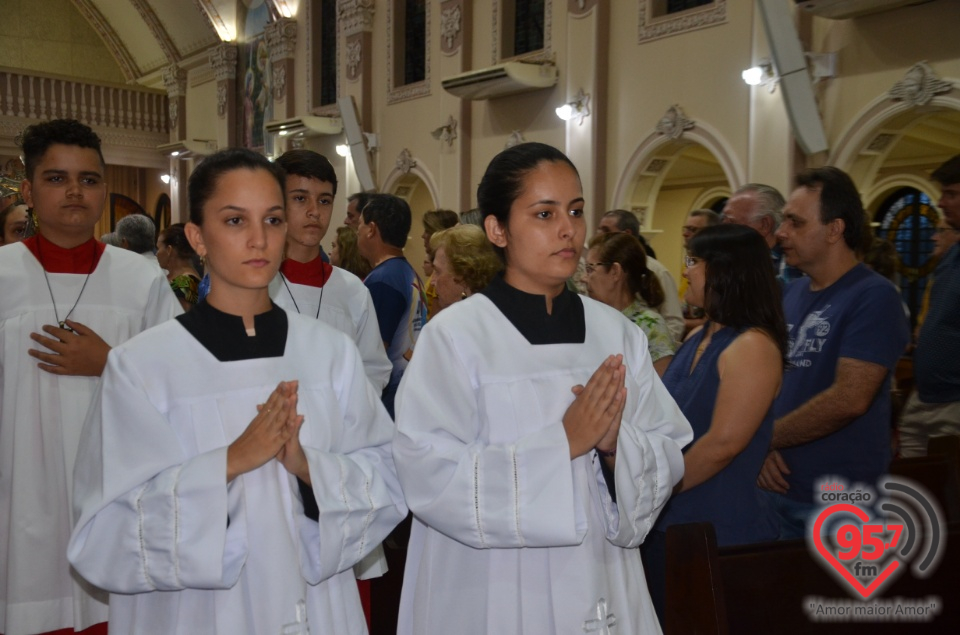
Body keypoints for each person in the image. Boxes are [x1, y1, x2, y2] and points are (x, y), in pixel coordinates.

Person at [68, 147, 408, 635]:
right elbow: (102, 535)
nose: (258, 239)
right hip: (195, 614)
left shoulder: (328, 354)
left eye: (272, 220)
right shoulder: (143, 365)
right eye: (234, 221)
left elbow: (389, 478)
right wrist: (228, 462)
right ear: (197, 237)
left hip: (314, 606)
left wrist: (308, 468)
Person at [392, 142, 691, 634]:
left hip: (600, 576)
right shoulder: (456, 336)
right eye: (544, 213)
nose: (568, 228)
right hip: (493, 587)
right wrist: (565, 444)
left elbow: (667, 452)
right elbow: (427, 473)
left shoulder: (615, 334)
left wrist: (619, 445)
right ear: (498, 229)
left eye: (575, 211)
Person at [0, 118, 180, 635]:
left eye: (89, 179)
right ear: (29, 191)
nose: (75, 191)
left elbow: (181, 378)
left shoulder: (141, 277)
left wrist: (110, 363)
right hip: (23, 483)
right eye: (57, 179)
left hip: (116, 482)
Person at [640, 224, 786, 625]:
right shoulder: (697, 338)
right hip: (671, 525)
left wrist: (656, 487)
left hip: (720, 532)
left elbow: (723, 444)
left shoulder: (752, 345)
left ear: (725, 271)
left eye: (693, 261)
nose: (685, 271)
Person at [757, 167, 909, 539]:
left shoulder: (874, 297)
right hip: (777, 490)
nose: (781, 233)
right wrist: (760, 447)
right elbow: (774, 381)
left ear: (834, 229)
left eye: (794, 222)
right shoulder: (792, 294)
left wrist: (766, 439)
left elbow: (850, 398)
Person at [270, 150, 391, 393]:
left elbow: (373, 370)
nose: (315, 211)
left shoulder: (353, 290)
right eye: (300, 198)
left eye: (324, 201)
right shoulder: (255, 285)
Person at [898, 155, 960, 457]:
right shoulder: (950, 256)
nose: (940, 202)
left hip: (954, 402)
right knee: (913, 493)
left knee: (949, 496)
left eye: (951, 194)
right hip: (923, 397)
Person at [356, 193, 427, 418]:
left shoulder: (384, 280)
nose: (357, 231)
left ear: (371, 229)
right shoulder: (407, 272)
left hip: (388, 401)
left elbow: (375, 350)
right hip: (407, 392)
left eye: (359, 224)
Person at [583, 232, 676, 376]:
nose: (584, 278)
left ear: (615, 272)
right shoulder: (589, 318)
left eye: (590, 269)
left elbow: (662, 387)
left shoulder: (650, 326)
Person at [594, 209, 684, 343]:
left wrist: (650, 345)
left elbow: (674, 322)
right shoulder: (599, 267)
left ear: (626, 234)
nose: (600, 235)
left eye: (606, 230)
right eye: (599, 230)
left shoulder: (658, 271)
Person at [721, 183, 803, 282]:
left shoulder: (786, 270)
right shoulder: (733, 265)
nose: (722, 229)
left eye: (731, 222)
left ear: (765, 225)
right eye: (723, 220)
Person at [428, 224, 501, 312]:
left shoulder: (444, 324)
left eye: (437, 271)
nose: (432, 281)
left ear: (463, 274)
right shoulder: (496, 312)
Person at [679, 208, 720, 333]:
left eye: (693, 230)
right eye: (685, 229)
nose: (685, 234)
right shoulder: (688, 263)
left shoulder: (714, 265)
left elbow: (710, 319)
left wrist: (671, 322)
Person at [420, 210, 459, 318]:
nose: (423, 236)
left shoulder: (444, 273)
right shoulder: (438, 270)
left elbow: (437, 315)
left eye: (427, 230)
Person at [157, 223, 201, 311]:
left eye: (158, 248)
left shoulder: (186, 282)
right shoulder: (182, 278)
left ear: (169, 250)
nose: (156, 253)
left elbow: (180, 319)